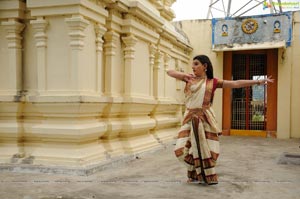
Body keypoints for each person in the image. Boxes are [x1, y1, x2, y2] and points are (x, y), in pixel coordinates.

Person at [166, 55, 274, 185]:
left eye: (196, 64)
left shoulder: (213, 82)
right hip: (189, 118)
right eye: (192, 64)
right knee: (180, 150)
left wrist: (257, 82)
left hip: (205, 118)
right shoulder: (189, 79)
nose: (193, 67)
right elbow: (169, 72)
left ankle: (199, 175)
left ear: (205, 66)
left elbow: (236, 83)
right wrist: (185, 75)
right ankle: (194, 171)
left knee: (208, 149)